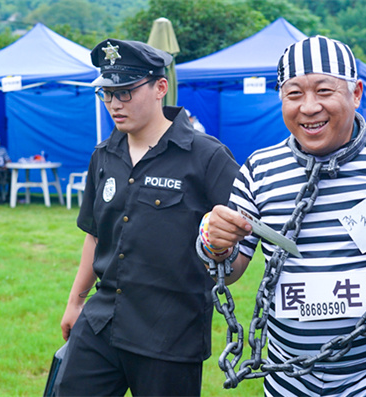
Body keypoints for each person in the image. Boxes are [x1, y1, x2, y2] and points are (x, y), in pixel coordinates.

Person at [200, 35, 366, 396]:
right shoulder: (259, 170)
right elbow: (230, 271)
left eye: (324, 91)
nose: (309, 107)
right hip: (289, 377)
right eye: (294, 94)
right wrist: (214, 243)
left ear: (356, 93)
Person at [54, 39, 239, 396]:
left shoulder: (205, 156)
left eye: (125, 92)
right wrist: (75, 303)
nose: (114, 104)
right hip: (102, 319)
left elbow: (242, 228)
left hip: (168, 332)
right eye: (107, 94)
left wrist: (228, 259)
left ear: (160, 87)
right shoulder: (104, 156)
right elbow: (94, 235)